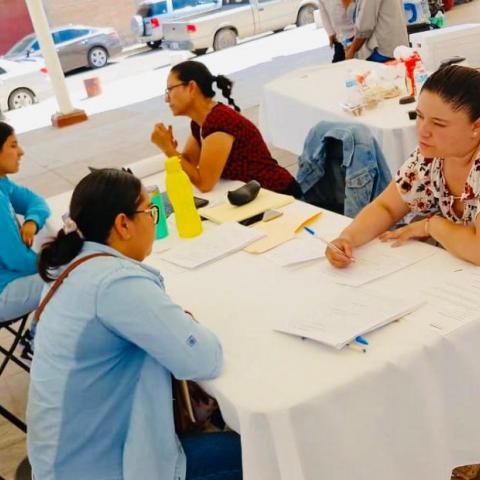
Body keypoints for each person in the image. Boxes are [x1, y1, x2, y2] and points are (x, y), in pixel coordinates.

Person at [27, 168, 242, 480]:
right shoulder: (115, 283)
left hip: (65, 462)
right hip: (108, 468)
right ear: (123, 224)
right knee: (260, 454)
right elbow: (204, 359)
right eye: (150, 211)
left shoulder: (70, 266)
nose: (154, 222)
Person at [326, 65, 480, 268]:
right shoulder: (432, 158)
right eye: (419, 116)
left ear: (476, 127)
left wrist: (431, 225)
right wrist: (347, 238)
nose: (423, 131)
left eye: (439, 124)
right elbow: (387, 207)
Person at [151, 60, 302, 197]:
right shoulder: (199, 123)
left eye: (170, 90)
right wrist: (172, 150)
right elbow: (188, 163)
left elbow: (204, 183)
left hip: (279, 195)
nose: (166, 98)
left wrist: (169, 150)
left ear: (191, 87)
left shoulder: (219, 122)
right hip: (254, 196)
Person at [0, 121, 50, 322]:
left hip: (7, 281)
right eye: (12, 145)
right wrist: (55, 260)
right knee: (72, 277)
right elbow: (18, 260)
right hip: (3, 291)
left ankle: (38, 335)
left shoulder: (4, 185)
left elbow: (36, 202)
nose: (21, 152)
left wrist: (32, 221)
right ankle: (41, 339)